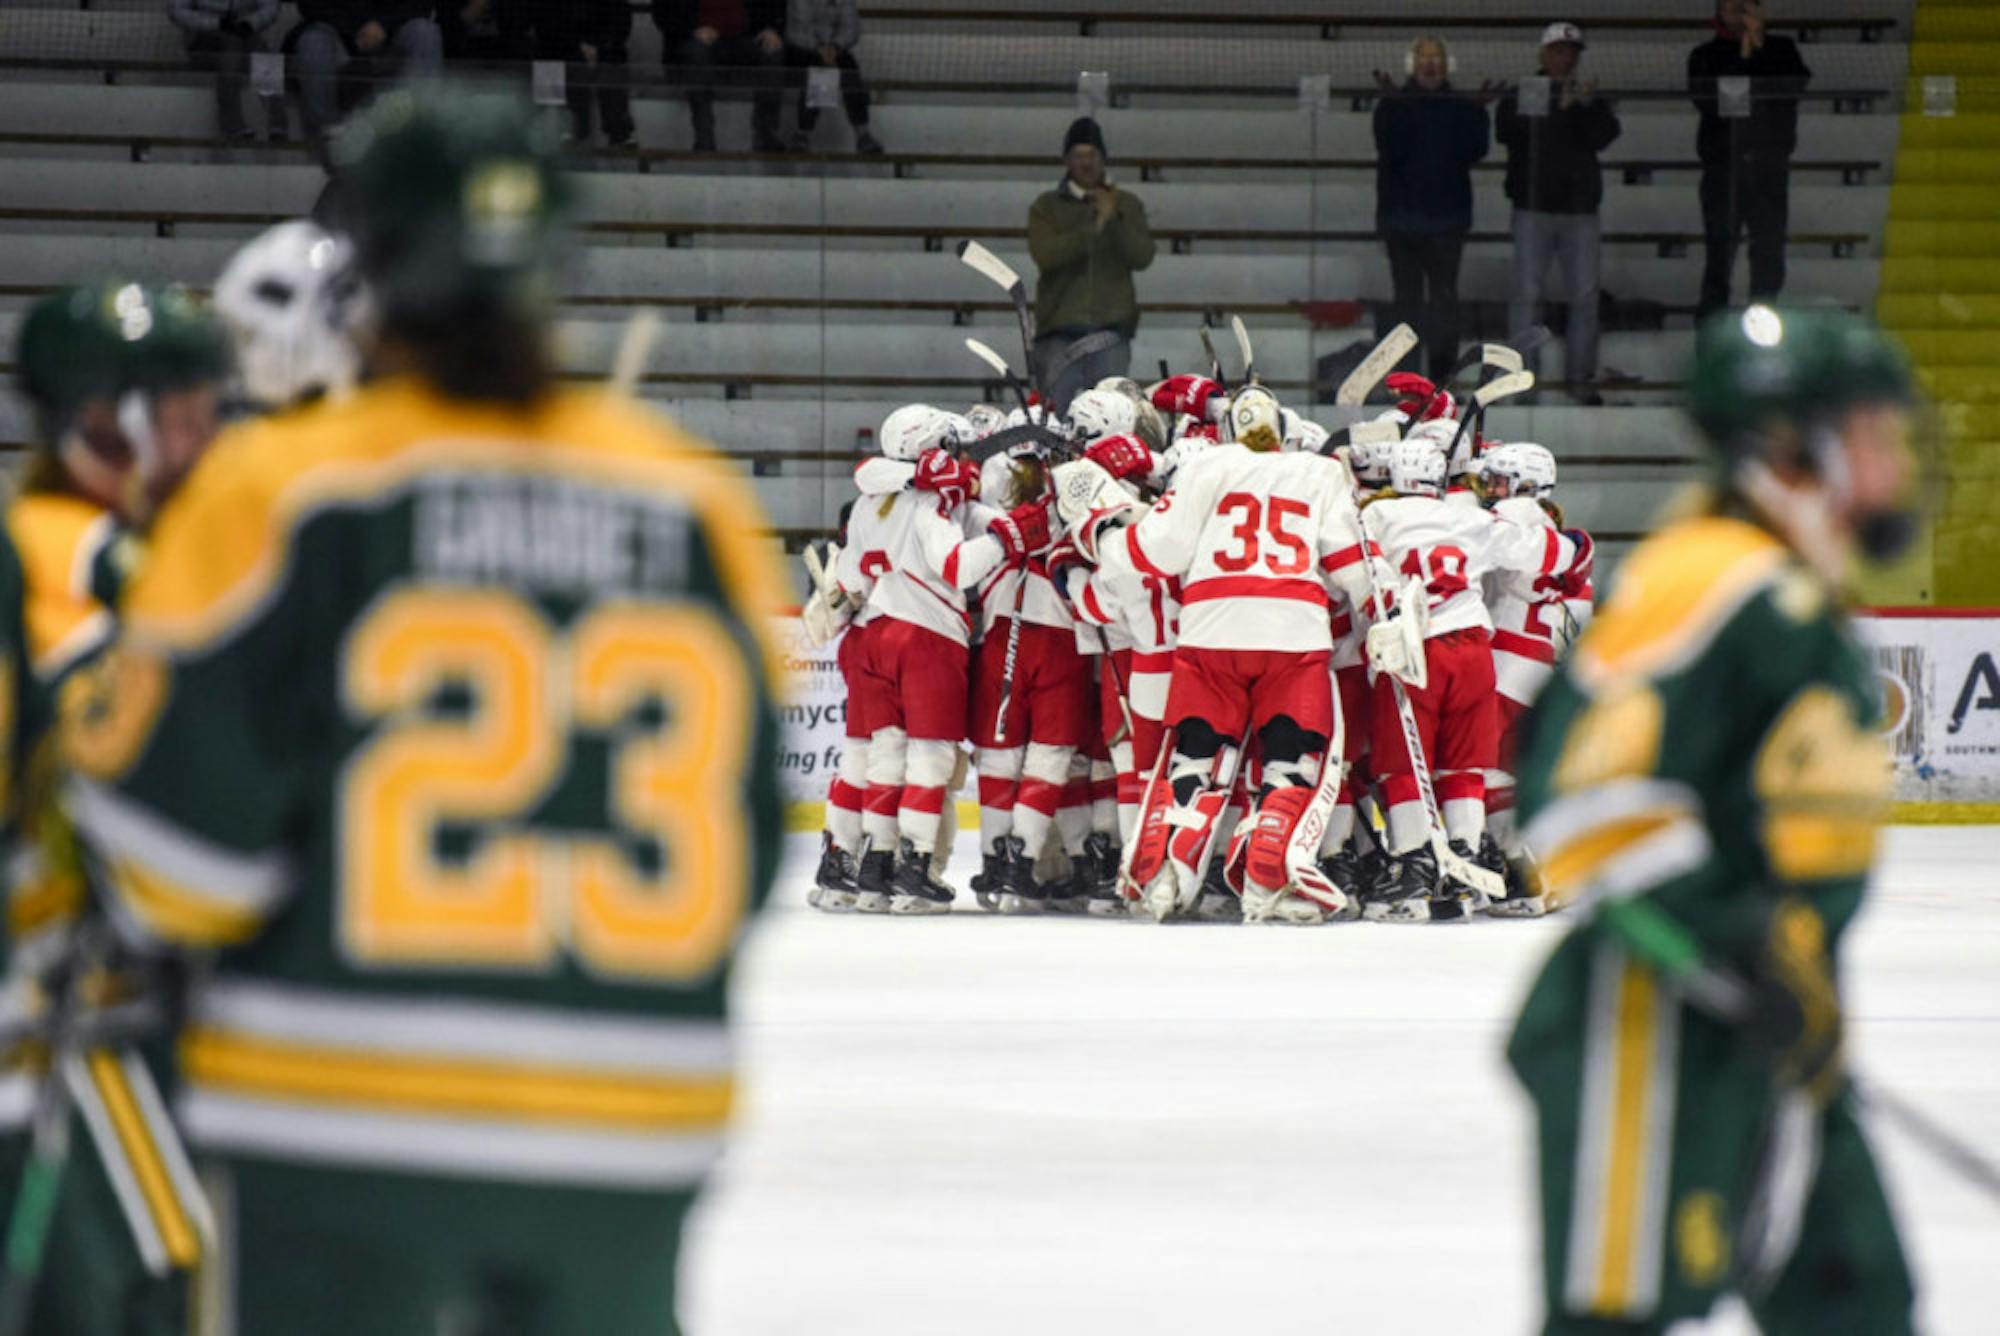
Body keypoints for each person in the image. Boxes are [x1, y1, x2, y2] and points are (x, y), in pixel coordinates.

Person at [64, 86, 787, 1334]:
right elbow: (750, 849)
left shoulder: (283, 487)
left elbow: (177, 857)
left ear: (374, 265)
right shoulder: (694, 499)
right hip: (630, 1121)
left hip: (336, 1111)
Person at [1506, 305, 1920, 1335]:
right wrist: (1725, 940)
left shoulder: (1788, 591)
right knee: (1615, 1319)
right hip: (1647, 1028)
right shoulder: (1707, 582)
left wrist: (1779, 968)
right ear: (1797, 446)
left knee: (1854, 1293)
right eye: (1874, 432)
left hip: (1775, 1022)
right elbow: (1576, 797)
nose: (1897, 459)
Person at [1, 279, 230, 1334]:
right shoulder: (81, 552)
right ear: (103, 419)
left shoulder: (61, 534)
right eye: (180, 412)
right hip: (62, 1013)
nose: (203, 437)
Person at [1496, 22, 1620, 402]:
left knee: (1584, 295)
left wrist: (1580, 105)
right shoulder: (1522, 93)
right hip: (1533, 208)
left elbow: (1605, 136)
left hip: (1580, 210)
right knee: (1526, 295)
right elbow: (1508, 133)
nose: (1564, 58)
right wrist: (1557, 109)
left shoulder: (1590, 98)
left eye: (1571, 52)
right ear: (1544, 54)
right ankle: (1523, 379)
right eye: (1558, 50)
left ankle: (1580, 377)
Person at [1373, 36, 1493, 380]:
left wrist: (1477, 112)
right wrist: (1397, 106)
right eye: (1424, 58)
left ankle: (1442, 379)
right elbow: (1389, 149)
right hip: (1402, 222)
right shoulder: (1392, 105)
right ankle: (1408, 378)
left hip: (1447, 222)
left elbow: (1476, 151)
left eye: (1436, 57)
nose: (1431, 64)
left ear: (1446, 64)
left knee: (1444, 302)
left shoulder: (1461, 106)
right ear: (1413, 65)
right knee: (1407, 301)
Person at [1689, 0, 1812, 317]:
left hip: (1769, 170)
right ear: (1719, 13)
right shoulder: (1705, 56)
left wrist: (1760, 45)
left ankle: (1764, 331)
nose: (1740, 15)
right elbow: (1715, 103)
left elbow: (1795, 86)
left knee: (1769, 256)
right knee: (1719, 257)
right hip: (1723, 170)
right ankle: (1711, 339)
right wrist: (1744, 55)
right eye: (1733, 8)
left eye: (1747, 7)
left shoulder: (1782, 50)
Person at [1027, 117, 1156, 415]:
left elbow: (1142, 256)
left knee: (1111, 418)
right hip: (1058, 334)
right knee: (1051, 419)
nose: (1086, 164)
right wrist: (1093, 226)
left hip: (1110, 333)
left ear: (1103, 159)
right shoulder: (1046, 206)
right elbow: (1046, 255)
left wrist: (1114, 220)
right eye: (1078, 156)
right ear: (1066, 160)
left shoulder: (1127, 205)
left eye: (1092, 155)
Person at [290, 0, 444, 149]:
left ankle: (422, 130)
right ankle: (326, 132)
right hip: (339, 31)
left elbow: (422, 3)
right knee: (313, 42)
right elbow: (310, 4)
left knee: (425, 32)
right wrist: (357, 28)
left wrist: (383, 25)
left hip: (393, 30)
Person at [652, 0, 787, 153]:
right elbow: (662, 13)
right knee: (697, 55)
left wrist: (770, 28)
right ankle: (704, 140)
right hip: (697, 38)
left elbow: (776, 7)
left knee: (772, 51)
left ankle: (766, 135)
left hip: (745, 36)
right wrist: (692, 30)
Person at [500, 0, 636, 147]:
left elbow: (621, 20)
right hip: (553, 47)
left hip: (599, 47)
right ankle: (557, 127)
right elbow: (536, 22)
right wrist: (578, 45)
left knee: (611, 64)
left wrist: (598, 44)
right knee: (548, 63)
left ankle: (617, 130)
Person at [168, 0, 289, 142]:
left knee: (263, 53)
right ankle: (232, 123)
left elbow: (271, 7)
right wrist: (216, 23)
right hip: (201, 40)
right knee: (232, 46)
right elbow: (176, 11)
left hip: (243, 32)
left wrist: (249, 23)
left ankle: (276, 123)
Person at [783, 0, 881, 154]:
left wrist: (835, 46)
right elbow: (795, 32)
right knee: (821, 71)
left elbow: (851, 28)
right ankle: (803, 133)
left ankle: (862, 133)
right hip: (802, 50)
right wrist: (818, 47)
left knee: (850, 72)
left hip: (834, 49)